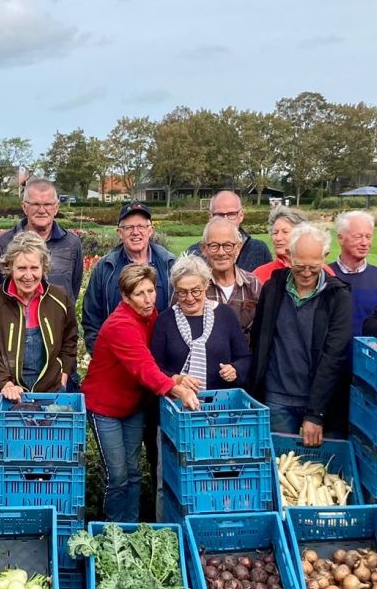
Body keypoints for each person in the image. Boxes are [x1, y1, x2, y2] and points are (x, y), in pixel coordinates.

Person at [82, 265, 201, 523]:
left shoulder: (151, 316)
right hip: (105, 408)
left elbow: (152, 360)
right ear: (125, 297)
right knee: (118, 475)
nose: (148, 299)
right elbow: (143, 367)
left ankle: (132, 526)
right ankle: (112, 528)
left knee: (134, 472)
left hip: (133, 406)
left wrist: (175, 377)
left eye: (150, 291)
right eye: (139, 294)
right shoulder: (120, 325)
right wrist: (175, 388)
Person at [248, 223, 352, 446]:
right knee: (280, 464)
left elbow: (333, 356)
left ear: (325, 257)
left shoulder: (338, 297)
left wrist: (316, 414)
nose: (306, 273)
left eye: (313, 267)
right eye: (299, 265)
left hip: (318, 400)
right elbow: (259, 338)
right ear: (289, 256)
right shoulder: (273, 288)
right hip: (277, 396)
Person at [0, 231, 79, 400]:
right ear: (10, 268)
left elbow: (70, 339)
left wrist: (64, 373)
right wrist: (5, 383)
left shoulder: (59, 297)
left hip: (52, 391)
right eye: (21, 268)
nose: (28, 276)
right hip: (9, 393)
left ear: (43, 267)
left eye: (34, 268)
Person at [325, 210, 377, 437]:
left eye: (368, 236)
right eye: (358, 236)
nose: (364, 242)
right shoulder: (325, 276)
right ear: (341, 238)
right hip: (332, 376)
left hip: (372, 377)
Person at [81, 202, 175, 351]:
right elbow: (91, 318)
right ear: (120, 233)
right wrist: (102, 354)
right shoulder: (105, 267)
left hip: (161, 359)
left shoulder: (169, 264)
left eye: (141, 227)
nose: (135, 232)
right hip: (118, 360)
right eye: (129, 227)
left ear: (150, 231)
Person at [151, 254, 251, 390]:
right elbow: (155, 368)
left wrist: (235, 369)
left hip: (221, 401)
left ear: (206, 286)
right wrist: (176, 379)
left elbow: (244, 358)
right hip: (178, 403)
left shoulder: (225, 314)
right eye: (182, 292)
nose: (190, 298)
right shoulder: (165, 320)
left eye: (196, 291)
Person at [0, 177, 84, 301]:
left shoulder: (72, 243)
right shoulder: (2, 243)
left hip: (57, 318)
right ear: (25, 207)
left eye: (47, 204)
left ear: (56, 207)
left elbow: (74, 288)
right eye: (36, 204)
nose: (42, 210)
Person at [197, 217, 261, 337]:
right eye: (214, 246)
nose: (221, 253)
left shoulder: (253, 284)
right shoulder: (193, 286)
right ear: (203, 249)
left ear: (237, 248)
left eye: (228, 245)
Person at [186, 191, 273, 273]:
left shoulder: (259, 250)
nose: (225, 220)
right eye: (219, 215)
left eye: (231, 214)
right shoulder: (194, 254)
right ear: (210, 217)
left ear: (241, 215)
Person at [253, 204, 305, 285]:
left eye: (285, 232)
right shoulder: (258, 275)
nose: (278, 238)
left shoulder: (317, 272)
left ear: (301, 235)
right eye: (275, 232)